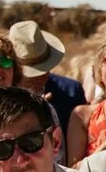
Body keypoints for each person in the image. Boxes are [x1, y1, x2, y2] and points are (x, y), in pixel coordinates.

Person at [7, 20, 87, 164]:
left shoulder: (70, 92)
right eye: (33, 71)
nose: (41, 75)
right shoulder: (0, 96)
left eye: (44, 67)